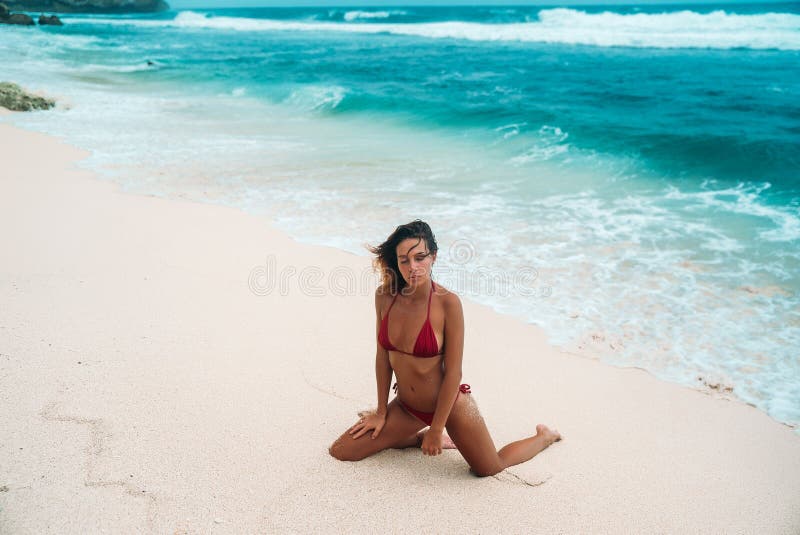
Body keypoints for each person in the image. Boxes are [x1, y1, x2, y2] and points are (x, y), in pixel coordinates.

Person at [328, 220, 561, 476]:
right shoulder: (384, 297)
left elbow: (453, 372)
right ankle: (416, 437)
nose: (412, 267)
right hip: (407, 406)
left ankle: (543, 437)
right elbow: (383, 357)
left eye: (420, 258)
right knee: (342, 450)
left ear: (433, 257)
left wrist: (438, 430)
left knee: (489, 467)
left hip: (449, 407)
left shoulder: (448, 304)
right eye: (404, 260)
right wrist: (381, 411)